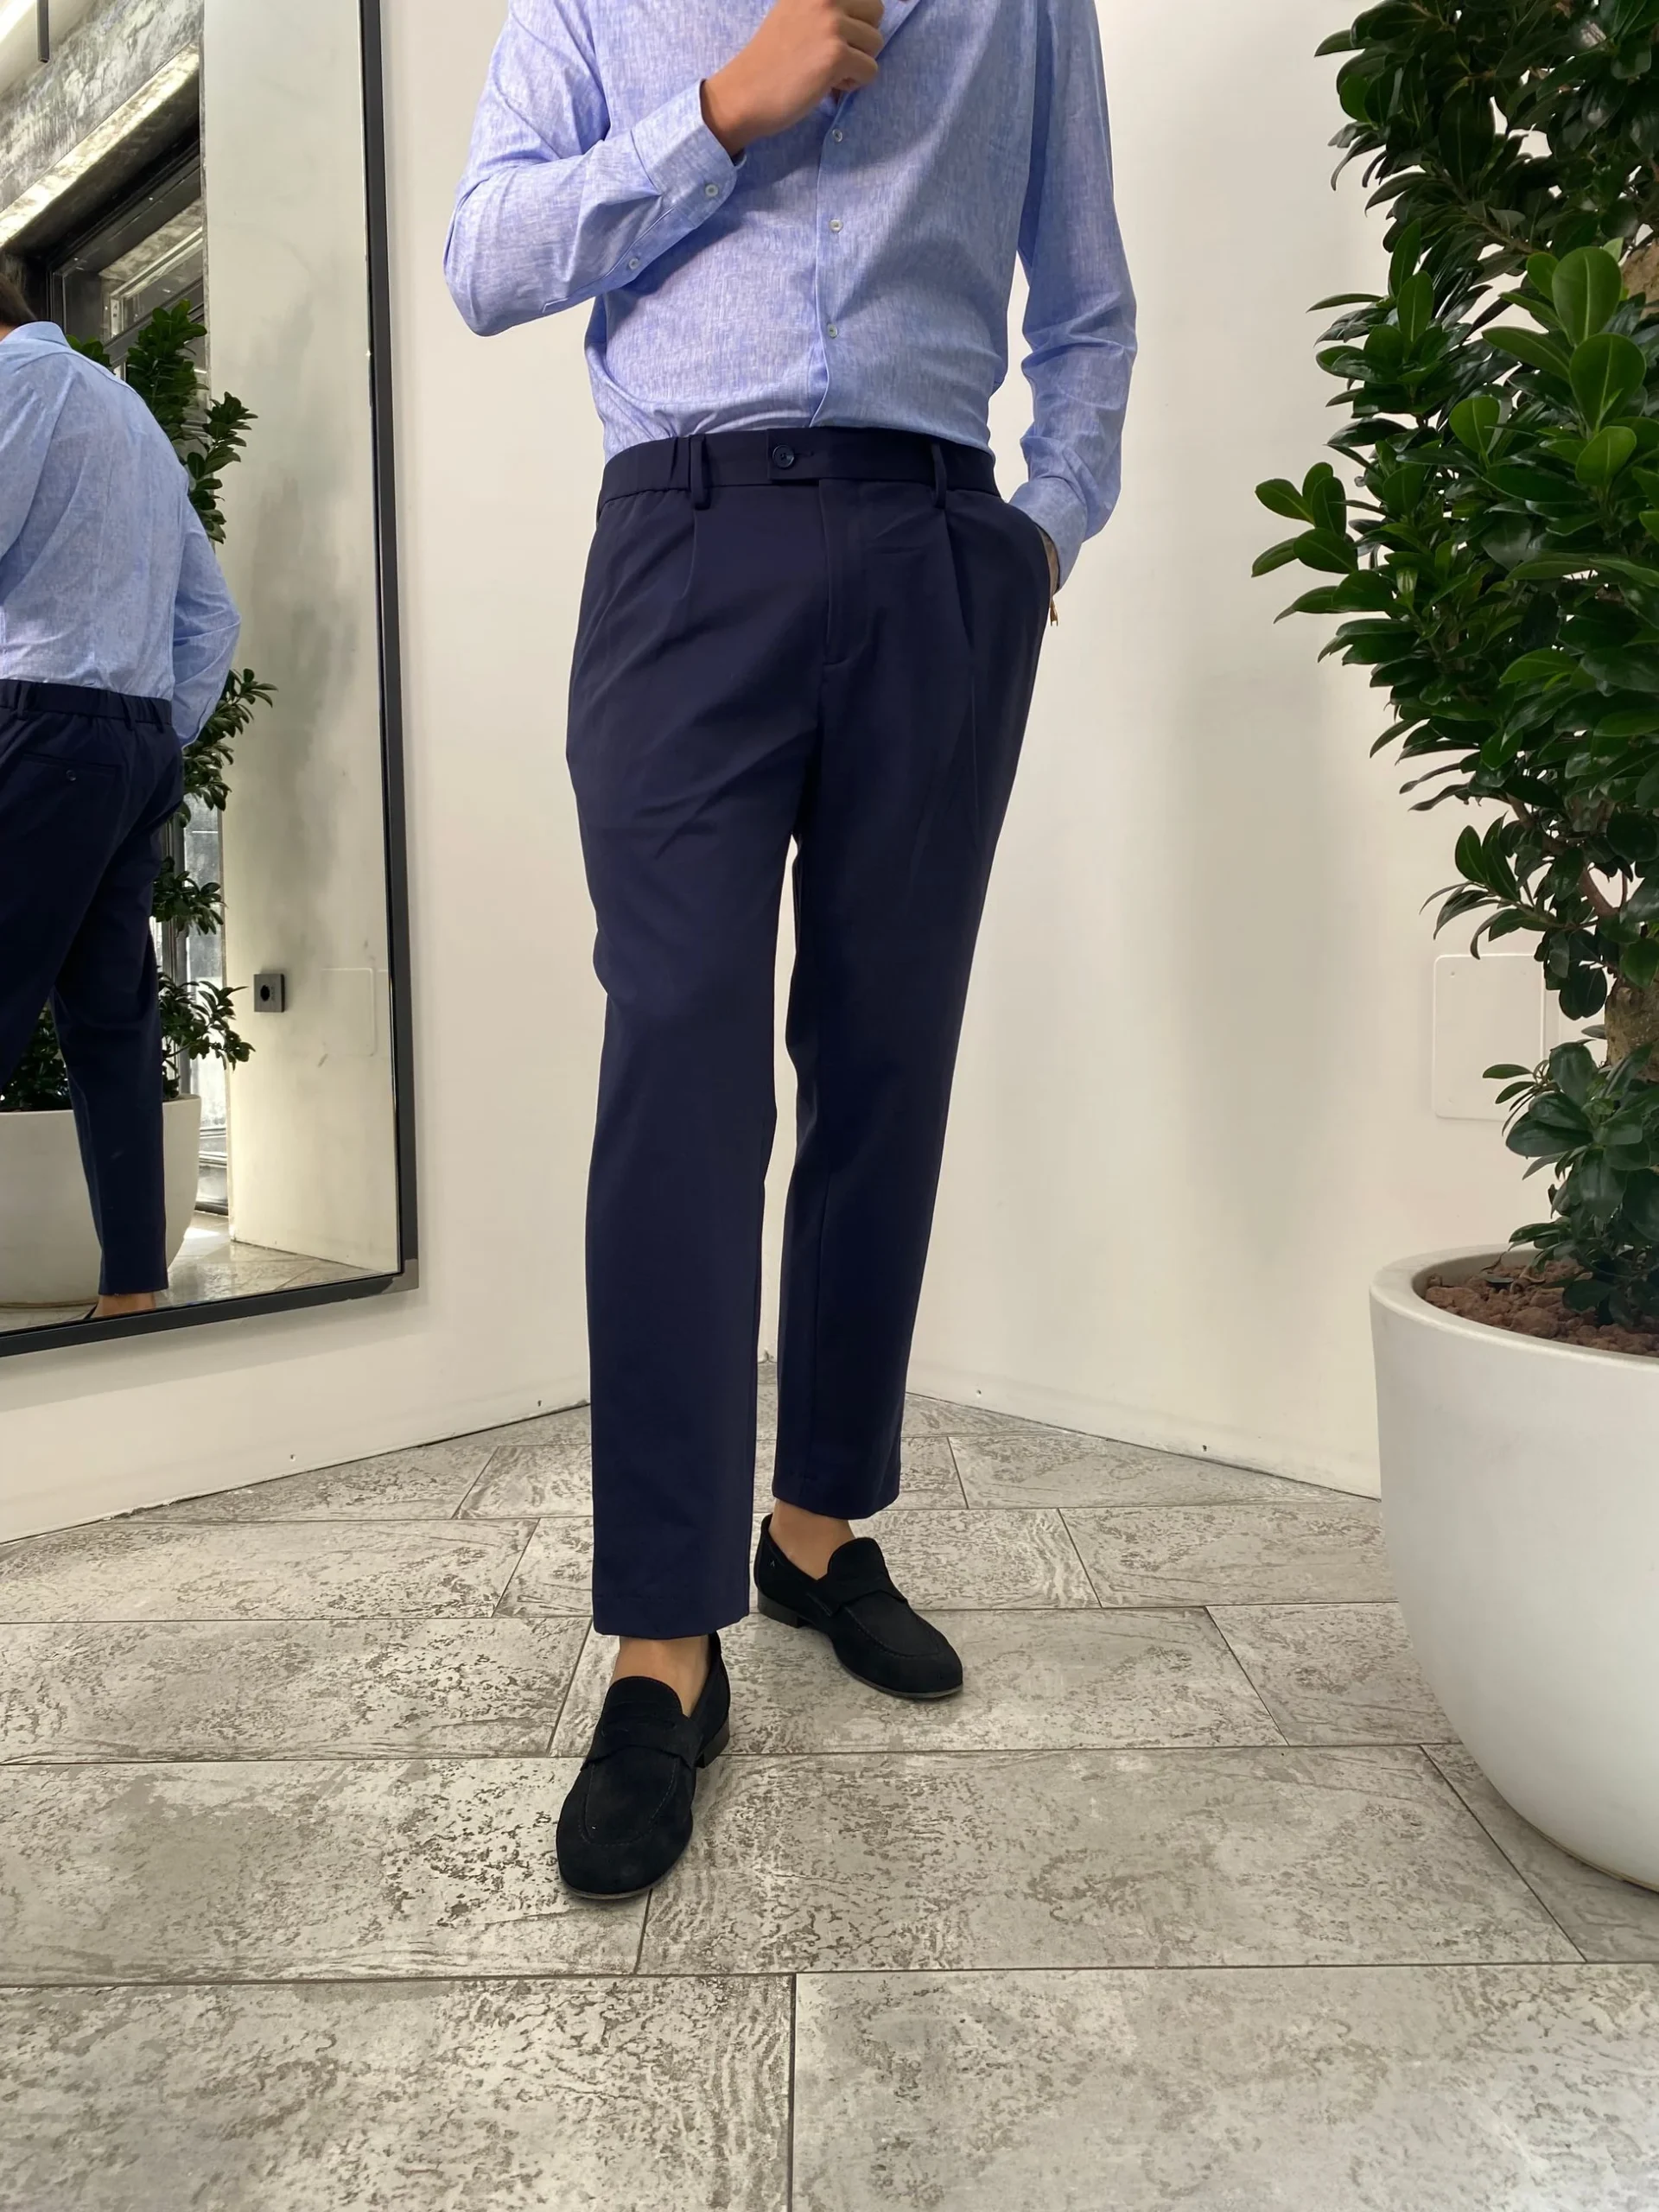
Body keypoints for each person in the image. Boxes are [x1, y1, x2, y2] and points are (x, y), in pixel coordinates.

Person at [447, 0, 1135, 1897]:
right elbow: (486, 257)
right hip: (684, 537)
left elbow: (1087, 301)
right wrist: (719, 111)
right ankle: (663, 1640)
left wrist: (1039, 532)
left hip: (939, 548)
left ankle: (817, 1525)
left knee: (888, 1056)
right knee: (679, 1066)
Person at [0, 266, 240, 1320]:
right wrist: (148, 731)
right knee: (112, 1021)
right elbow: (211, 616)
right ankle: (132, 1290)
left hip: (40, 719)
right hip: (134, 745)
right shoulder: (128, 410)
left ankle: (135, 1289)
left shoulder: (17, 386)